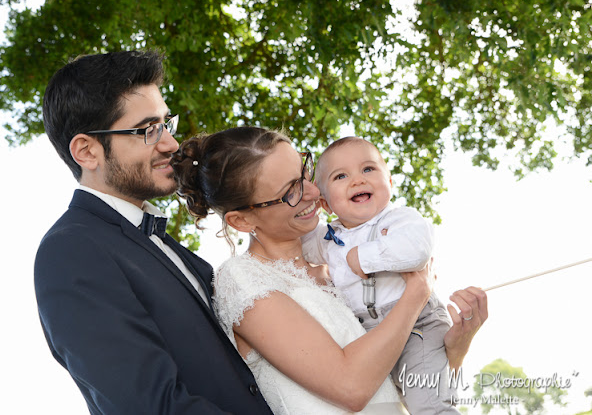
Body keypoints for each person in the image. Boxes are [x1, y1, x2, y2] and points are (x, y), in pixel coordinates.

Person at [173, 127, 487, 414]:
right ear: (243, 221)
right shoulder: (244, 279)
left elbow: (400, 378)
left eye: (304, 173)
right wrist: (416, 294)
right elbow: (352, 387)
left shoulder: (335, 272)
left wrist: (454, 348)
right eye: (291, 191)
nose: (312, 192)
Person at [34, 51, 273, 414]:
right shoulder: (72, 251)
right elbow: (151, 406)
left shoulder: (166, 245)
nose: (171, 145)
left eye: (166, 123)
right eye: (148, 130)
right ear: (87, 151)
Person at [302, 136, 458, 414]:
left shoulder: (399, 219)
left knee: (428, 404)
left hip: (417, 327)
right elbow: (298, 245)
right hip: (368, 335)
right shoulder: (328, 238)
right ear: (325, 203)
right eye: (341, 176)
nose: (358, 180)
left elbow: (416, 250)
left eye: (368, 169)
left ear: (390, 182)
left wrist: (363, 256)